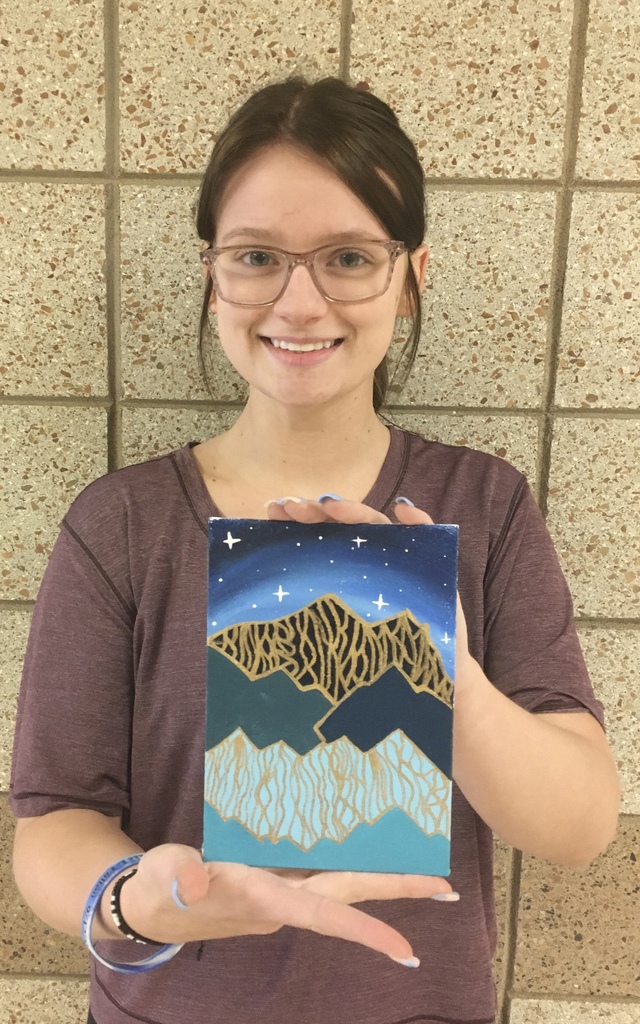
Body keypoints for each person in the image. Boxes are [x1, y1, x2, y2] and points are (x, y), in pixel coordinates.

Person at [10, 76, 619, 1024]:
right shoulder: (120, 525)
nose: (300, 302)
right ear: (213, 274)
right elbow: (53, 827)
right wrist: (142, 895)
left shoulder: (485, 505)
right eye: (257, 256)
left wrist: (440, 671)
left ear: (413, 275)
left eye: (346, 257)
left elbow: (578, 827)